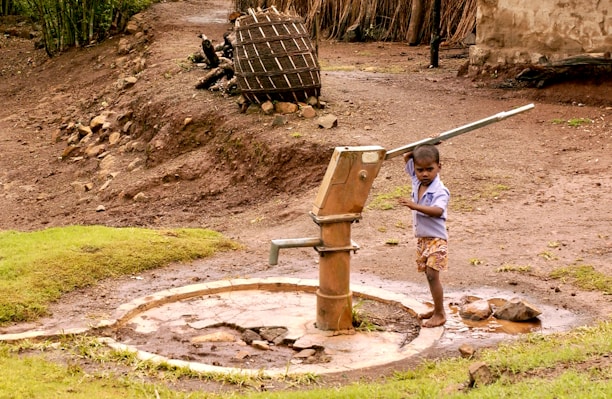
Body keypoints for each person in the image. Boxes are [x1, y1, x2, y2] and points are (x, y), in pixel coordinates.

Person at [399, 144, 449, 328]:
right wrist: (423, 147)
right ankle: (437, 309)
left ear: (439, 167)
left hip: (437, 238)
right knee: (428, 276)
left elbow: (437, 210)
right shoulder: (416, 181)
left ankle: (440, 314)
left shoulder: (440, 190)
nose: (425, 174)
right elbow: (407, 156)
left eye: (430, 169)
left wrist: (414, 206)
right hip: (422, 239)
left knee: (432, 275)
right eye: (420, 170)